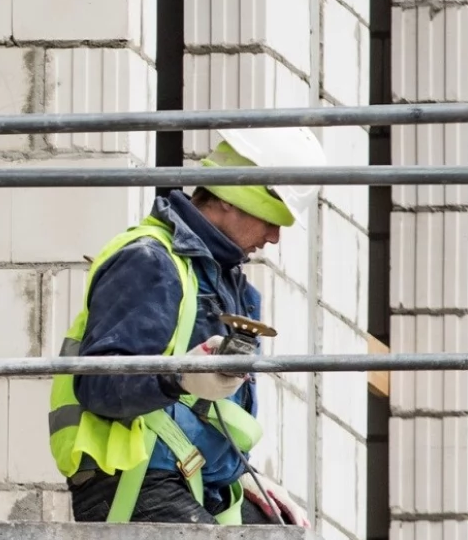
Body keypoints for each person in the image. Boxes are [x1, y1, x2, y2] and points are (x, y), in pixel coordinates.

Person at [48, 127, 326, 527]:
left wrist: (242, 472)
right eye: (272, 218)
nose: (274, 237)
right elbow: (100, 384)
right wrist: (179, 377)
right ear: (232, 196)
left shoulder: (225, 284)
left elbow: (201, 413)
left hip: (193, 479)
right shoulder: (151, 261)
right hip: (135, 479)